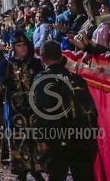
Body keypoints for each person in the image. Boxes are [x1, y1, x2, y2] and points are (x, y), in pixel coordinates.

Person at [30, 41, 99, 181]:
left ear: (42, 57)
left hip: (58, 139)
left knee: (56, 176)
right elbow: (91, 110)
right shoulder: (77, 79)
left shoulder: (42, 79)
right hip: (84, 136)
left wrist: (41, 139)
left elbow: (40, 111)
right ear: (61, 56)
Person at [0, 32, 44, 179]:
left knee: (35, 137)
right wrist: (2, 82)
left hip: (33, 108)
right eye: (18, 45)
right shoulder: (5, 64)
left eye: (24, 45)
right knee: (17, 137)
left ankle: (37, 169)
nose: (22, 48)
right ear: (13, 48)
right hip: (15, 108)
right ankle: (21, 170)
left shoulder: (35, 63)